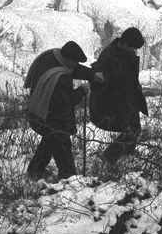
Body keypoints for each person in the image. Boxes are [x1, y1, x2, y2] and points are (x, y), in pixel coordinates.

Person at [24, 41, 103, 180]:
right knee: (61, 142)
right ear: (68, 60)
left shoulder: (52, 57)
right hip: (49, 118)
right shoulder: (60, 77)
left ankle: (35, 171)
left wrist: (92, 74)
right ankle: (69, 178)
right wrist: (81, 91)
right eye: (74, 62)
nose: (75, 66)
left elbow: (75, 69)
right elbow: (65, 103)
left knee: (50, 141)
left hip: (37, 112)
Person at [90, 27, 148, 164]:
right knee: (131, 130)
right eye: (132, 47)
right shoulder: (108, 57)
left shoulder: (125, 53)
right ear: (124, 43)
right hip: (112, 104)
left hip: (127, 101)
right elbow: (99, 86)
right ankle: (108, 159)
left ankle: (126, 157)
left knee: (134, 129)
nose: (134, 50)